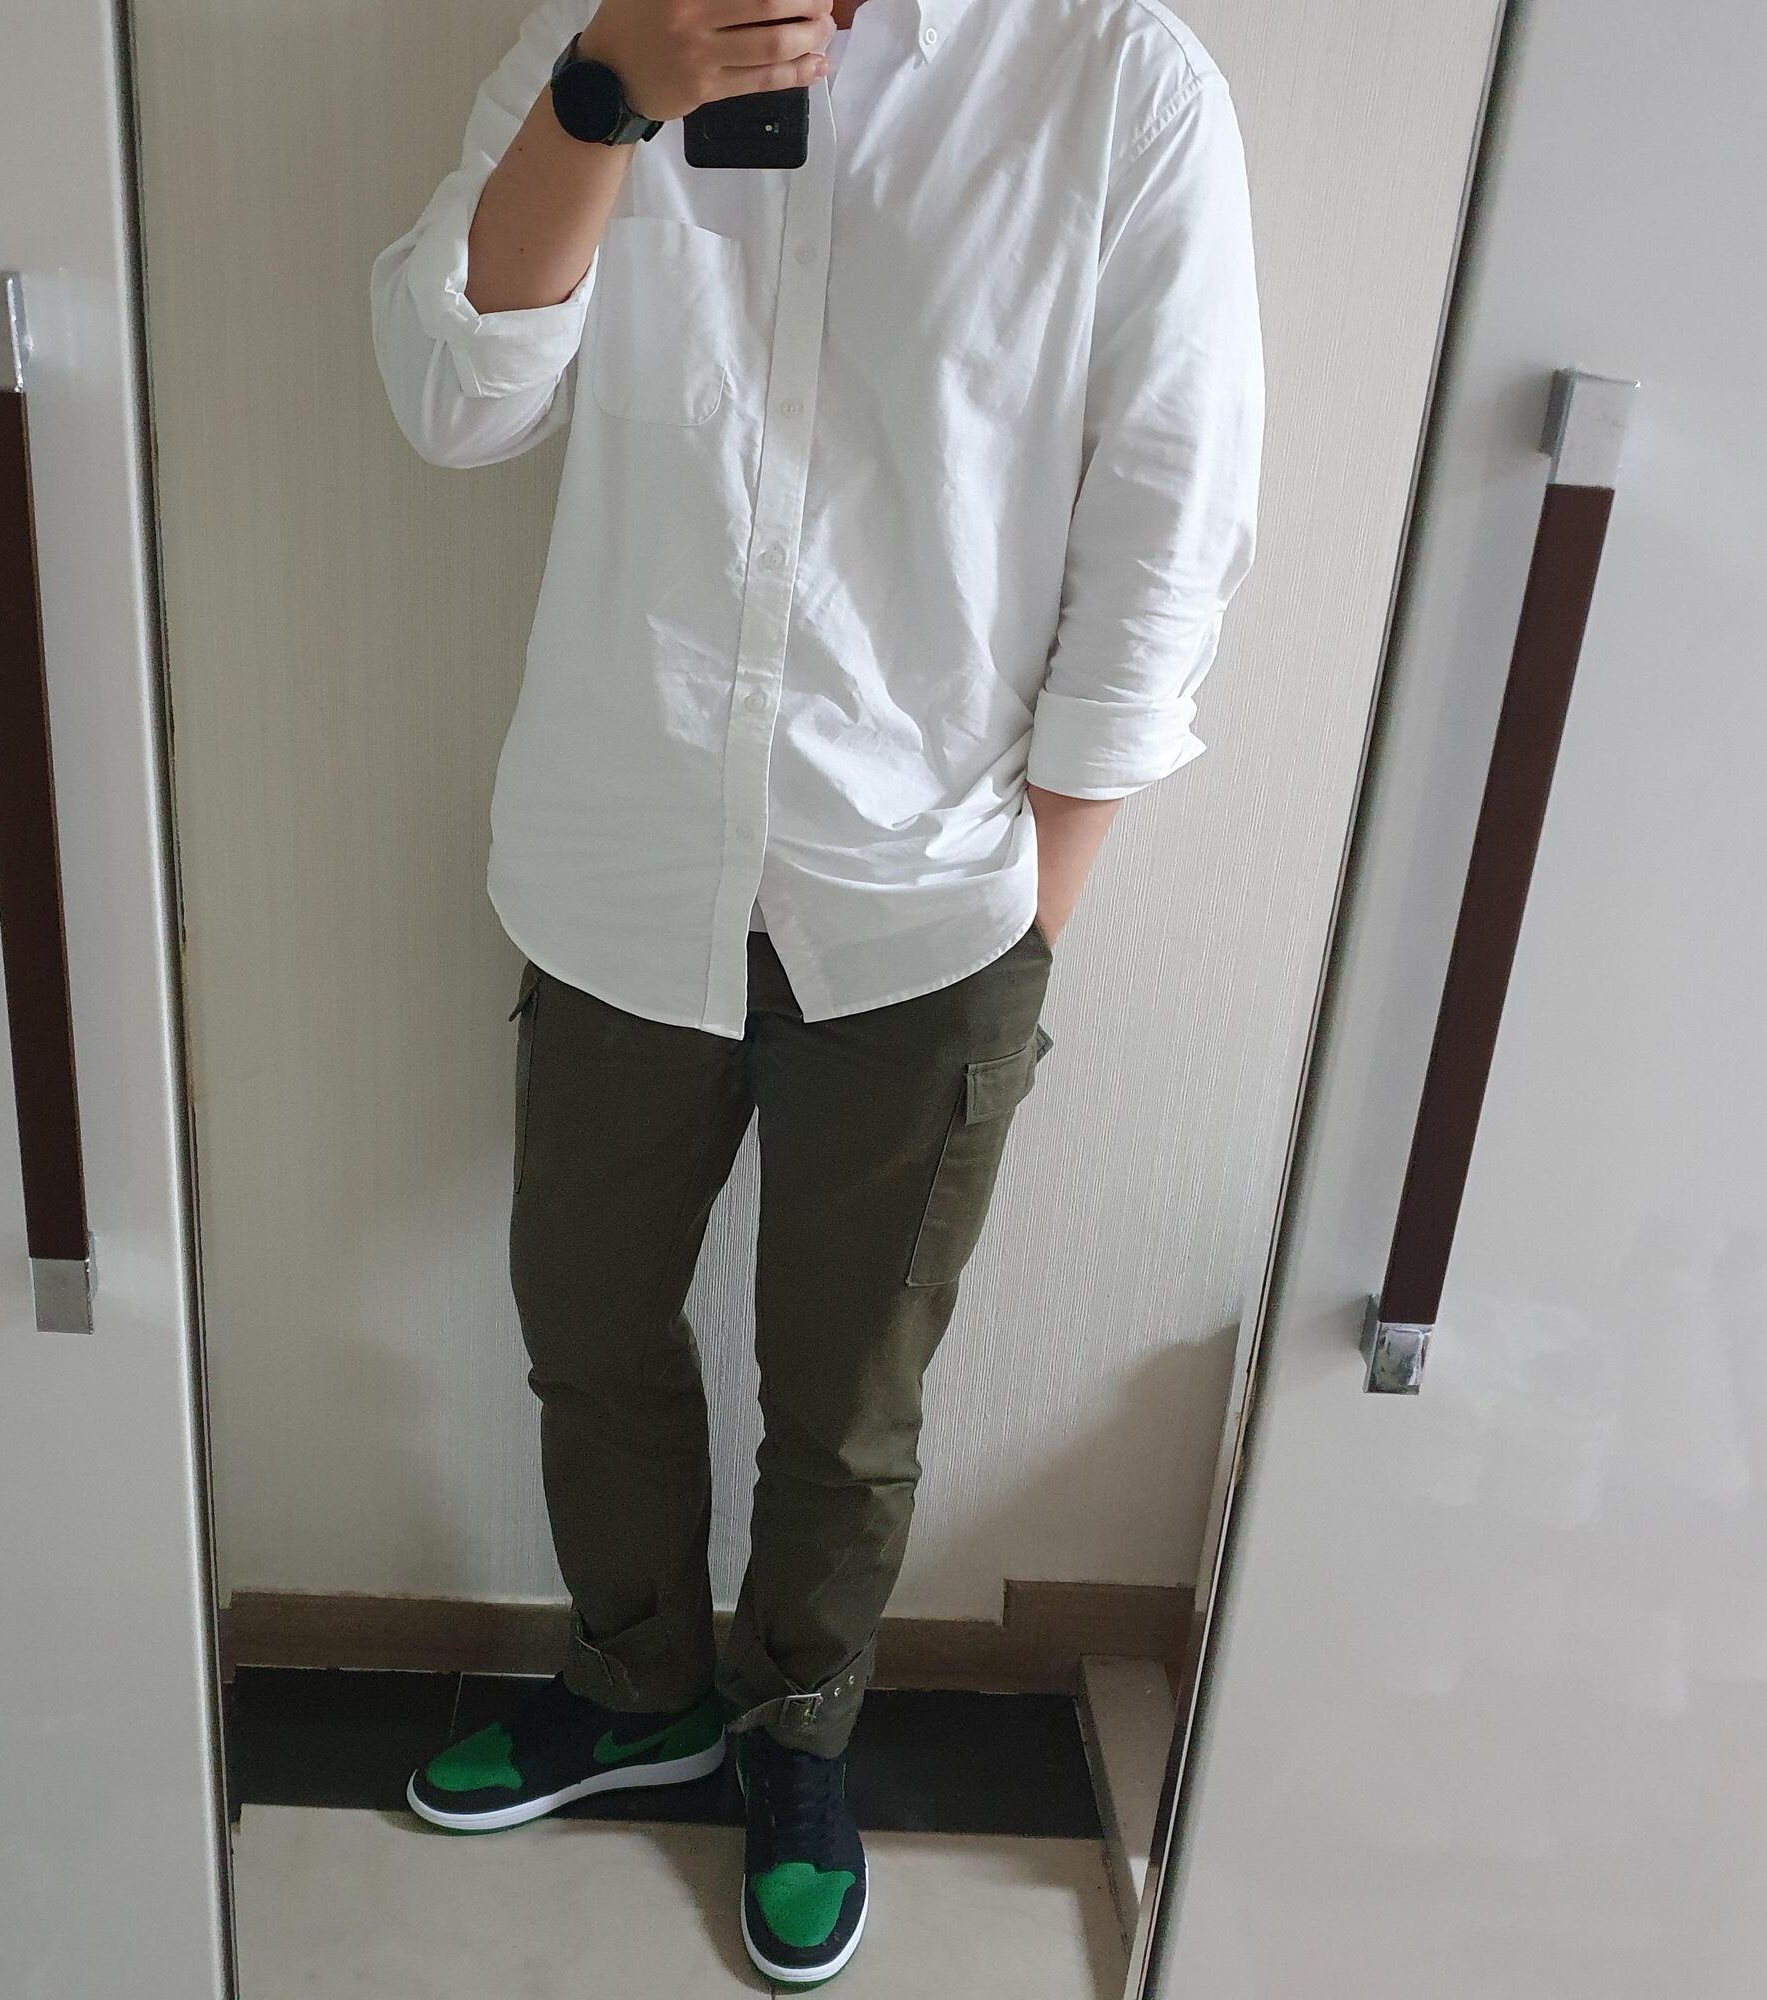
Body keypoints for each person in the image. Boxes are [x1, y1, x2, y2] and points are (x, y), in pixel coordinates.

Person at [370, 0, 1262, 1980]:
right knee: (587, 1325)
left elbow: (1168, 512)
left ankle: (799, 1734)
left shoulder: (1115, 78)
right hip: (620, 854)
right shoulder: (591, 39)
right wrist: (611, 94)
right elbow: (454, 396)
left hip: (931, 893)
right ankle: (635, 1691)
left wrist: (1037, 905)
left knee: (846, 1396)